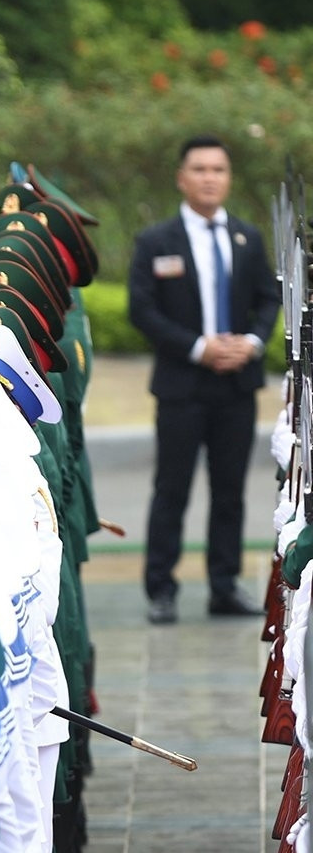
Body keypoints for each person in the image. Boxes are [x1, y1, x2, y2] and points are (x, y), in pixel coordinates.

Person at [128, 134, 281, 624]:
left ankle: (223, 585)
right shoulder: (157, 241)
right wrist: (198, 347)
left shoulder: (247, 237)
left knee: (230, 490)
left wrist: (252, 343)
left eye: (218, 169)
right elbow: (142, 309)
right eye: (200, 169)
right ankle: (161, 588)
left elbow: (268, 299)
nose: (210, 178)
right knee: (172, 488)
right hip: (182, 385)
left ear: (228, 178)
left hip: (236, 385)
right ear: (182, 177)